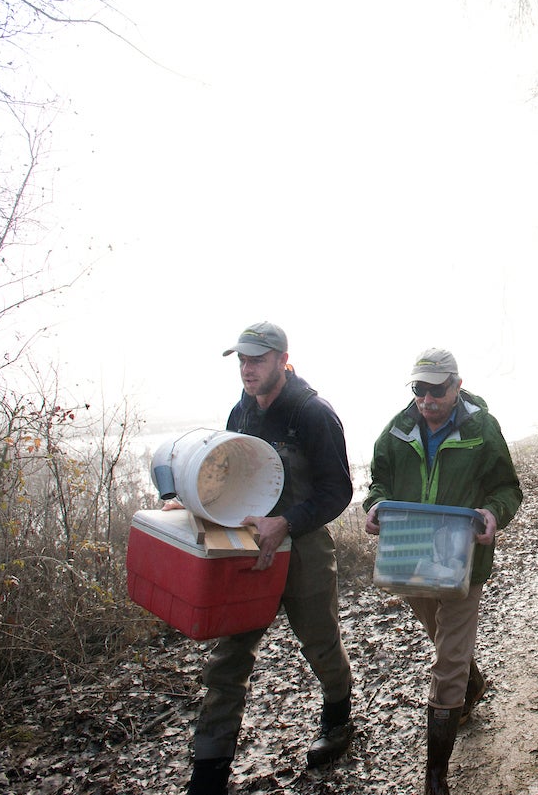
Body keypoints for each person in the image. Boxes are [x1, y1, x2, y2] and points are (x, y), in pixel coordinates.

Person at [186, 322, 356, 795]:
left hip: (302, 548)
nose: (247, 368)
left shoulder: (313, 413)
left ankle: (338, 719)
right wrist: (190, 498)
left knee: (321, 644)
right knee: (229, 659)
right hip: (246, 551)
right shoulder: (241, 411)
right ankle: (208, 774)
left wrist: (288, 521)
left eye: (257, 359)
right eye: (241, 359)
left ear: (283, 359)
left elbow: (338, 491)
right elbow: (222, 472)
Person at [363, 348, 523, 795]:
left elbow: (506, 488)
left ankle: (435, 775)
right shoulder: (395, 431)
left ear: (456, 385)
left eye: (436, 389)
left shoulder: (482, 430)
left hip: (461, 562)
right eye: (419, 389)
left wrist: (493, 514)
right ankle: (472, 684)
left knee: (446, 659)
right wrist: (374, 506)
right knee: (443, 638)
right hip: (409, 559)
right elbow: (378, 481)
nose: (427, 399)